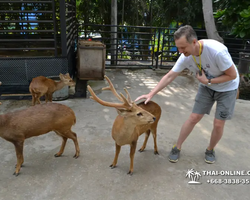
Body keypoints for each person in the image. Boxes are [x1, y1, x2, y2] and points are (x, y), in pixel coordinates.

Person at [135, 25, 239, 164]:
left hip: (227, 88)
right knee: (194, 117)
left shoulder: (216, 52)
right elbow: (170, 75)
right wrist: (151, 93)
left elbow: (232, 75)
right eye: (178, 47)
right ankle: (177, 147)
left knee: (218, 124)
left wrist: (208, 81)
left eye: (183, 47)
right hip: (207, 86)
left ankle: (210, 149)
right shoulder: (185, 56)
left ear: (194, 42)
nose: (180, 51)